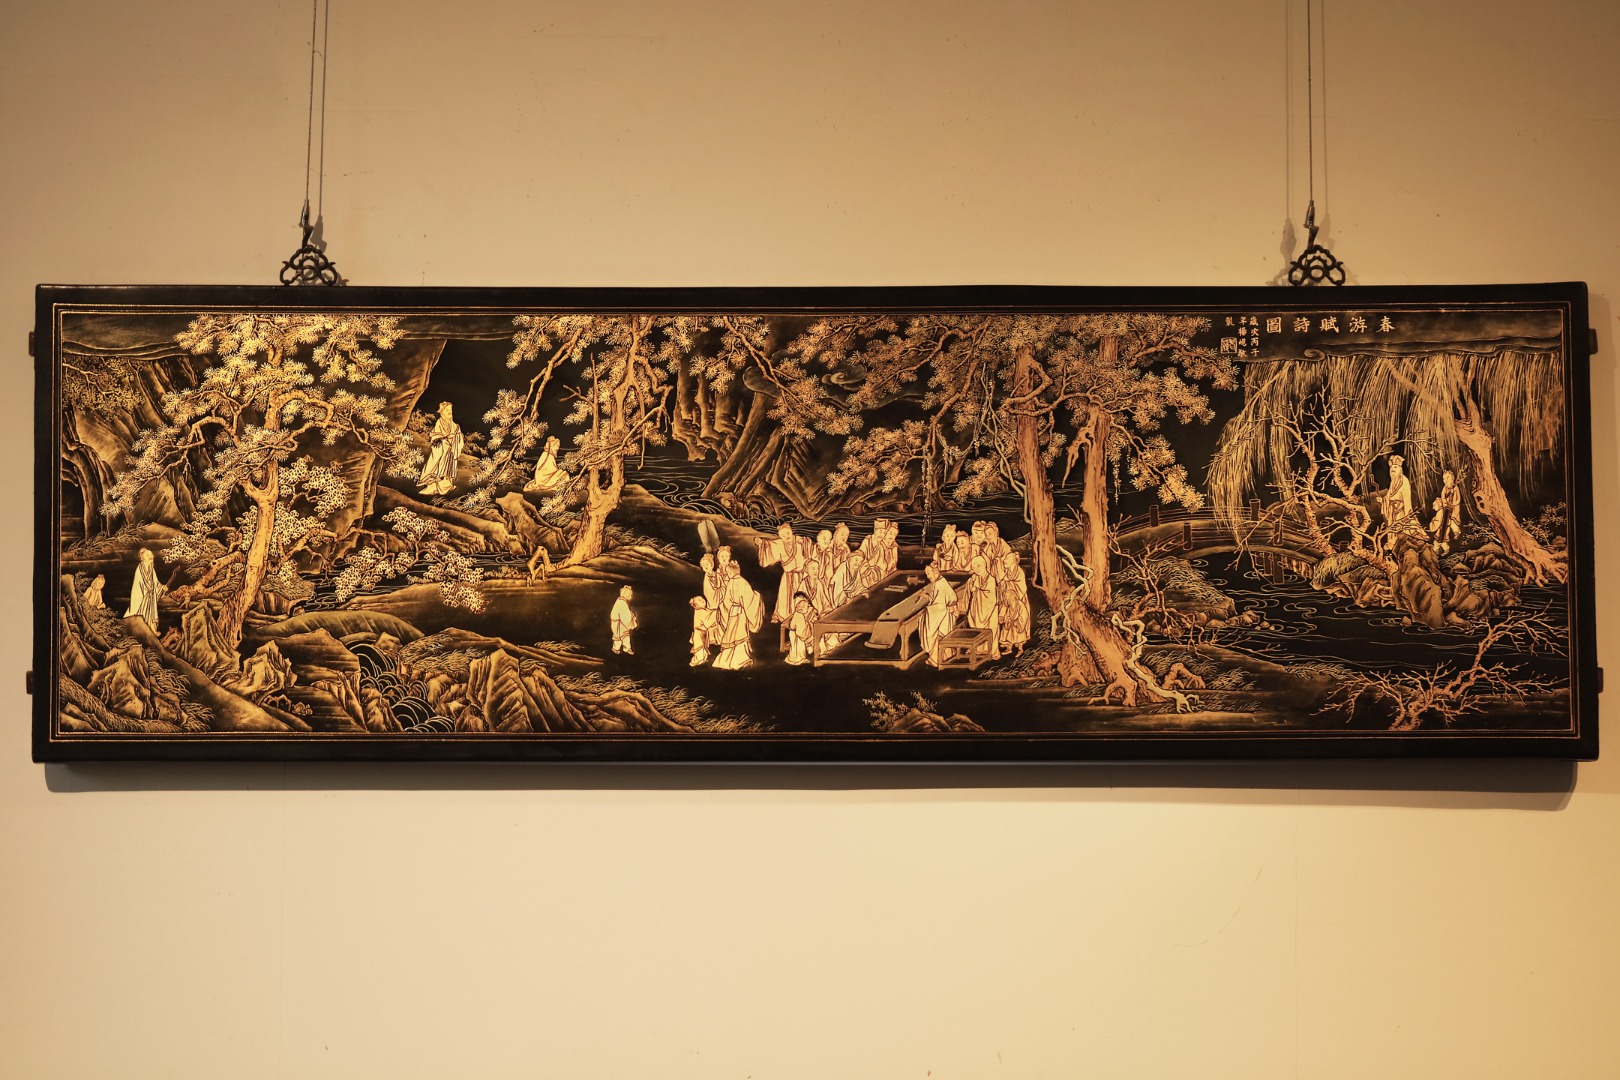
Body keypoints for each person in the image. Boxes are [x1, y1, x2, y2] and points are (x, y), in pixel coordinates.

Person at [711, 560, 762, 670]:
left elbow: (727, 601)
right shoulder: (743, 582)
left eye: (728, 572)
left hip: (733, 612)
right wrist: (757, 596)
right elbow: (749, 599)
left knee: (732, 634)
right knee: (740, 635)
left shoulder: (731, 582)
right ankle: (739, 660)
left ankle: (726, 661)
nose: (728, 574)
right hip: (741, 612)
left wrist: (724, 607)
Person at [757, 523, 810, 623]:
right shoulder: (780, 543)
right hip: (788, 576)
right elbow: (770, 544)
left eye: (788, 533)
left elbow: (809, 546)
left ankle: (802, 615)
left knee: (801, 595)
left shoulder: (799, 540)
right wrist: (762, 543)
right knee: (784, 597)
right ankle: (782, 615)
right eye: (783, 535)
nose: (787, 536)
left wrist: (805, 543)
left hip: (801, 575)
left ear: (792, 531)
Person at [956, 554, 1001, 660]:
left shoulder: (991, 580)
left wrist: (977, 589)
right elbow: (968, 594)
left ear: (985, 565)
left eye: (979, 566)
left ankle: (992, 651)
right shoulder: (973, 579)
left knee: (991, 629)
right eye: (974, 567)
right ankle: (978, 649)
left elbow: (991, 597)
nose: (976, 569)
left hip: (989, 610)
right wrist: (972, 588)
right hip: (976, 608)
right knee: (975, 627)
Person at [418, 401, 463, 497]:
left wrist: (456, 437)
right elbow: (436, 436)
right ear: (442, 412)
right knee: (436, 468)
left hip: (450, 451)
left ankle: (445, 487)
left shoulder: (455, 425)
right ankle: (433, 487)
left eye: (450, 410)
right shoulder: (439, 422)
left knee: (447, 470)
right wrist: (445, 437)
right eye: (447, 410)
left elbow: (459, 438)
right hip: (441, 450)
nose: (449, 412)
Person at [918, 563, 957, 666]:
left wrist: (926, 610)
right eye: (926, 574)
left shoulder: (940, 584)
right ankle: (946, 656)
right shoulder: (939, 582)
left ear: (935, 572)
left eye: (929, 573)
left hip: (943, 616)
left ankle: (936, 660)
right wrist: (925, 596)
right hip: (943, 613)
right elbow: (936, 600)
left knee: (936, 635)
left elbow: (939, 605)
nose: (928, 576)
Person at [996, 551, 1031, 655]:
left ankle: (1020, 646)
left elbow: (1022, 588)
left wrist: (1008, 583)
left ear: (1014, 561)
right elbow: (1003, 583)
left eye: (1007, 559)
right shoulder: (1008, 571)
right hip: (1008, 602)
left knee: (1018, 626)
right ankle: (1009, 644)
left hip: (1018, 600)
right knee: (1008, 627)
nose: (1004, 561)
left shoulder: (1019, 572)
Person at [124, 548, 164, 631]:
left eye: (151, 554)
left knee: (151, 616)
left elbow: (156, 583)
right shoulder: (140, 569)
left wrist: (162, 588)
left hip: (150, 598)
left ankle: (152, 631)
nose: (151, 556)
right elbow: (139, 584)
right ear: (142, 557)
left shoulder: (151, 569)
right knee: (142, 615)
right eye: (147, 555)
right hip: (142, 597)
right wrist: (147, 591)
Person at [1430, 468, 1462, 554]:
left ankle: (1457, 532)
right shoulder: (1445, 488)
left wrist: (1453, 503)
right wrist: (1445, 502)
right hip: (1447, 508)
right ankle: (1440, 548)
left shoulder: (1455, 488)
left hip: (1454, 509)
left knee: (1453, 521)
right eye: (1444, 479)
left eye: (1447, 478)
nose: (1445, 480)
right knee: (1446, 522)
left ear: (1452, 478)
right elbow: (1443, 496)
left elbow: (1458, 499)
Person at [784, 593, 816, 666]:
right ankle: (796, 657)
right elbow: (793, 626)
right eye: (798, 605)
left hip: (806, 631)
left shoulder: (811, 610)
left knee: (798, 635)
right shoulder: (797, 614)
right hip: (799, 632)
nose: (799, 607)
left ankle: (805, 649)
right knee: (795, 635)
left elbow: (814, 620)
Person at [688, 596, 717, 666]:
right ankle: (695, 662)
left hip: (703, 633)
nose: (702, 600)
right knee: (700, 649)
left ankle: (702, 659)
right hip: (699, 635)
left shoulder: (703, 610)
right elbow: (708, 622)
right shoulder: (700, 611)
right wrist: (715, 613)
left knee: (703, 648)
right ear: (695, 605)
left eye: (702, 599)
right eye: (699, 600)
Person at [610, 585, 638, 654]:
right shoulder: (622, 603)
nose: (631, 596)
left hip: (618, 622)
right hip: (620, 623)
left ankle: (619, 648)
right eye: (630, 594)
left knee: (620, 636)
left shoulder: (620, 601)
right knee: (623, 636)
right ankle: (623, 648)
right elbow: (625, 616)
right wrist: (632, 617)